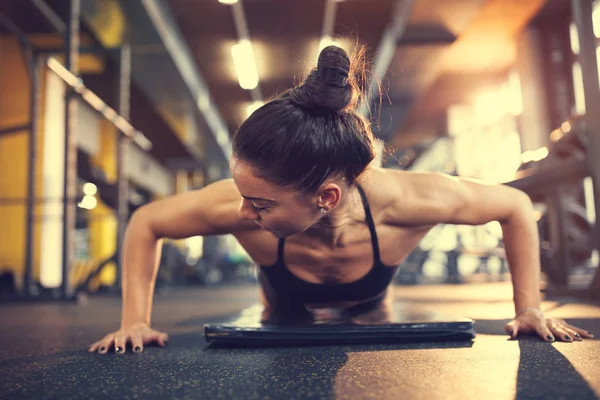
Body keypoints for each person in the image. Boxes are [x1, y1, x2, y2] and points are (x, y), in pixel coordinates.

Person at [88, 45, 593, 354]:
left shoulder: (409, 200)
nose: (243, 212)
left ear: (325, 197)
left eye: (261, 205)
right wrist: (135, 320)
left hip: (373, 304)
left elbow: (513, 207)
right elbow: (148, 222)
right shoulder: (239, 205)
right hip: (282, 309)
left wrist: (528, 308)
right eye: (245, 197)